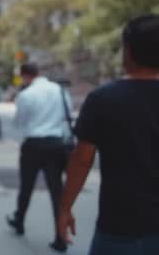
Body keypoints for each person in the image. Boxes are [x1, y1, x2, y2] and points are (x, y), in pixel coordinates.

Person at [59, 14, 159, 255]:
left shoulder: (103, 99)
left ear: (127, 50)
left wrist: (65, 208)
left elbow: (82, 159)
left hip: (120, 227)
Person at [6, 63, 70, 253]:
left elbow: (19, 122)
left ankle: (19, 221)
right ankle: (60, 237)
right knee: (56, 191)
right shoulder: (59, 90)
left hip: (33, 144)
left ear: (26, 76)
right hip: (56, 144)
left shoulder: (26, 95)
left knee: (26, 186)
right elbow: (66, 116)